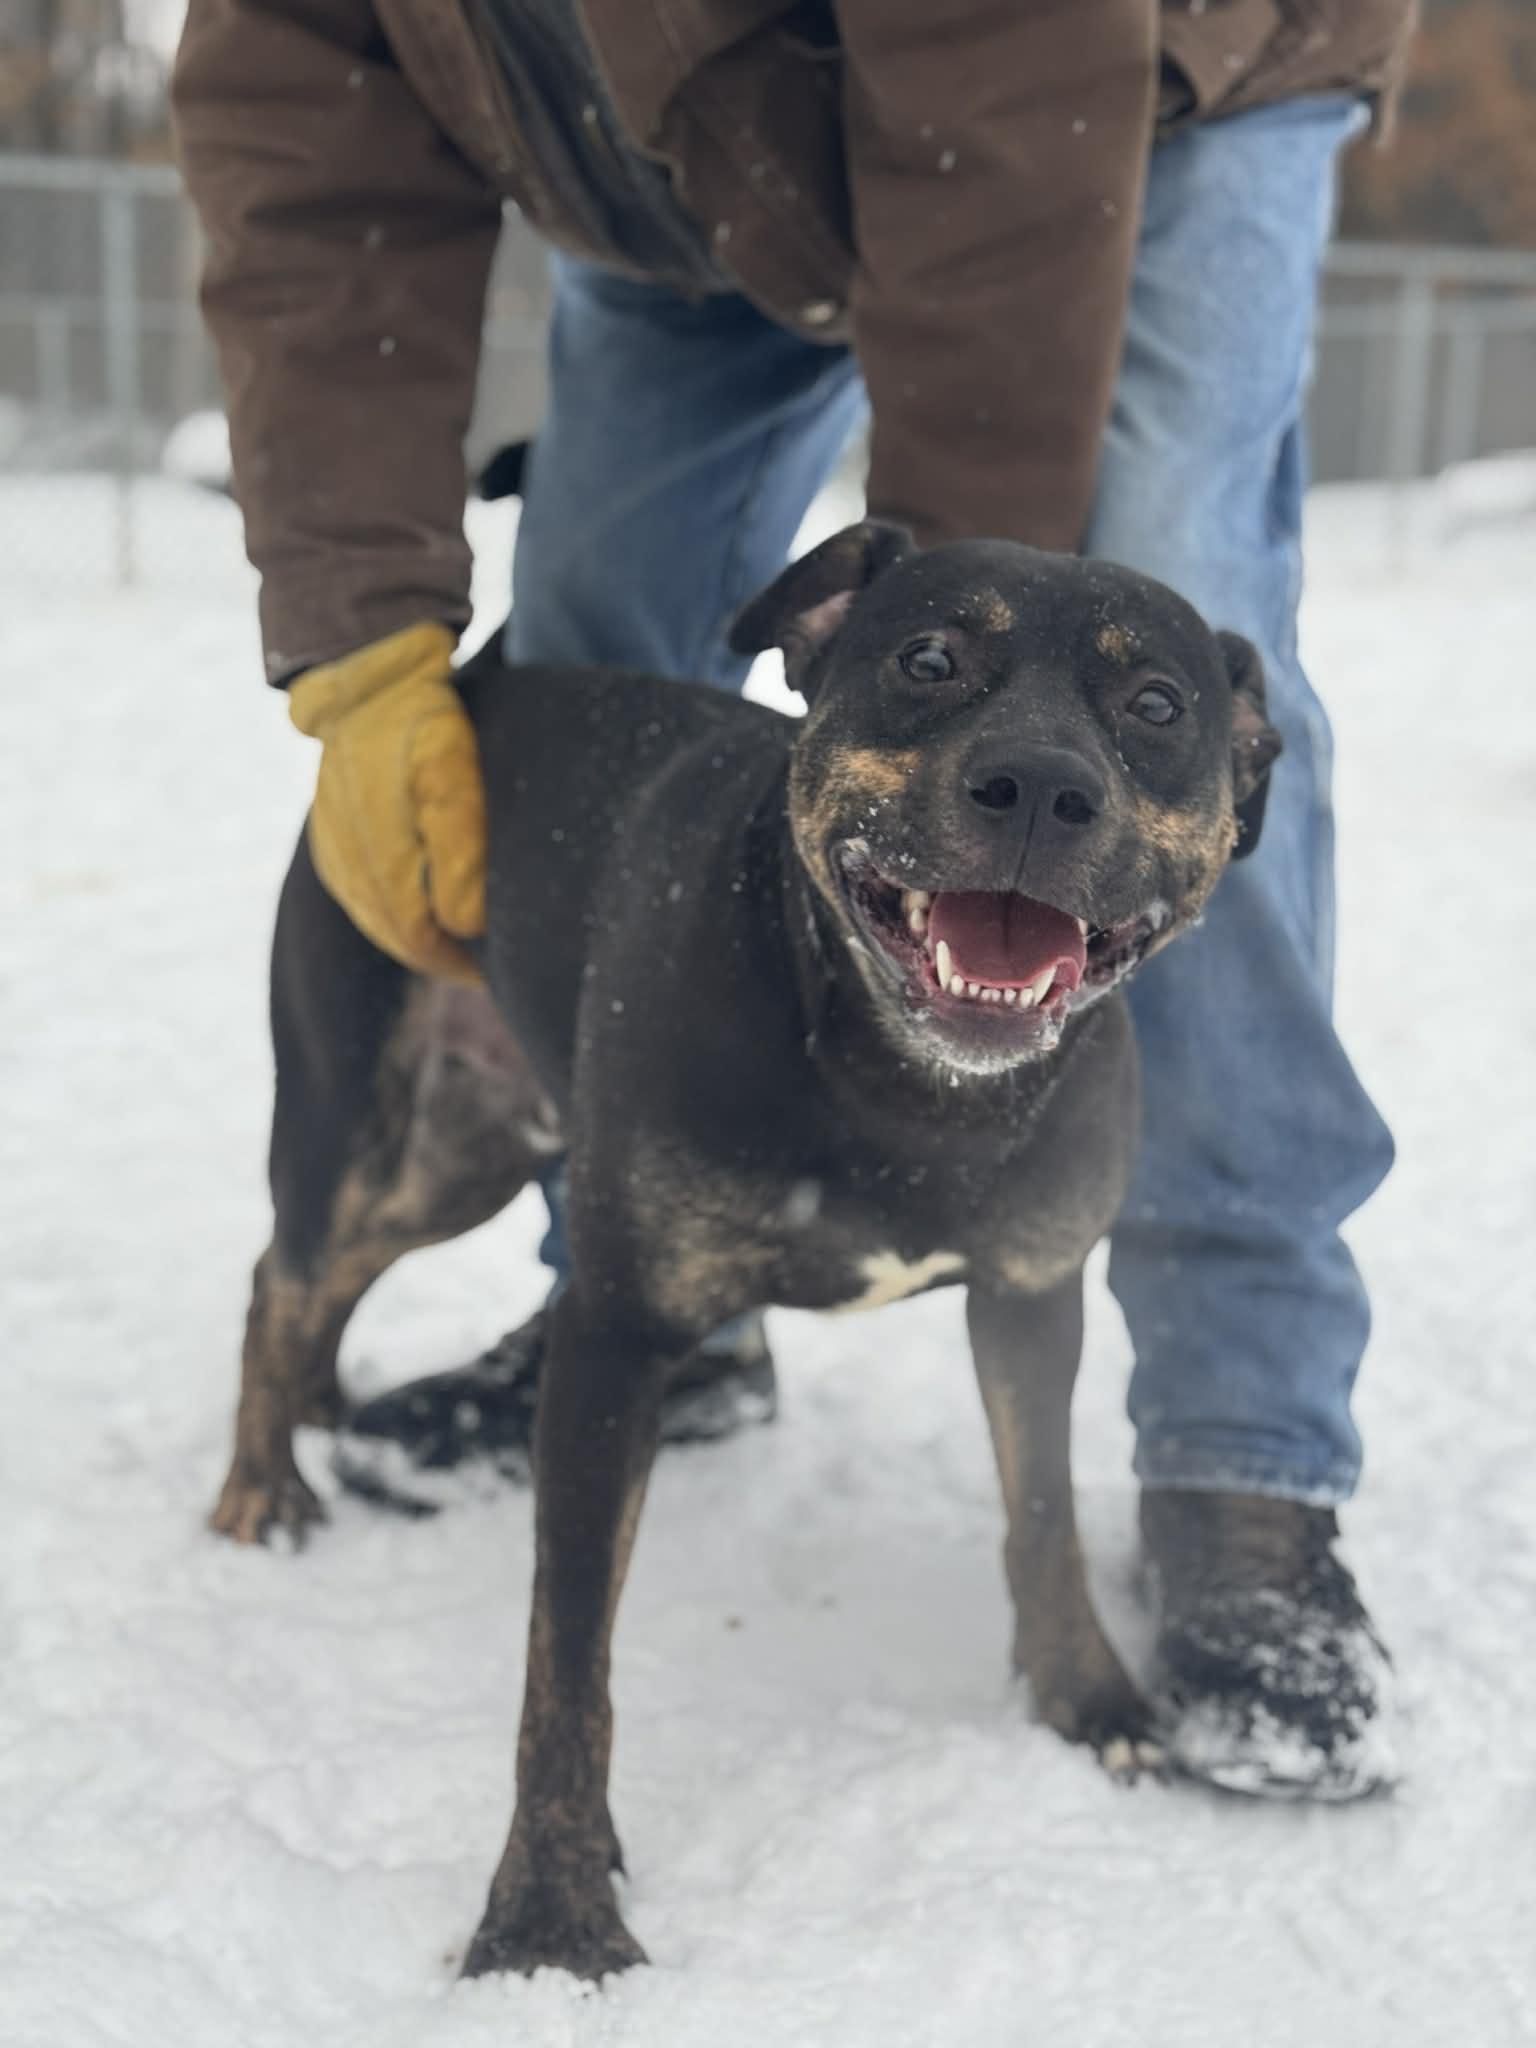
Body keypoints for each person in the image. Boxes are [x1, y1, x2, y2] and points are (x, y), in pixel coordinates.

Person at [173, 0, 1414, 1798]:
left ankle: (1248, 1446)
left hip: (1144, 81)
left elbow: (1005, 80)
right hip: (684, 156)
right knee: (597, 606)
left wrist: (979, 717)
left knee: (1167, 597)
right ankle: (661, 1286)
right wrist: (360, 640)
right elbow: (302, 154)